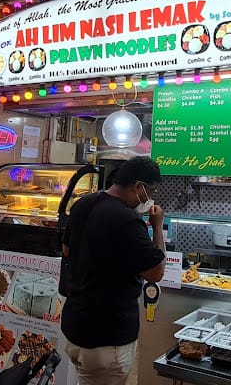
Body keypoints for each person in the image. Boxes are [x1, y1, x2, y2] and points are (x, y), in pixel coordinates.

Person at [61, 156, 166, 385]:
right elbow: (155, 273)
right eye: (150, 190)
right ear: (138, 186)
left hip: (75, 327)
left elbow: (66, 250)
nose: (149, 197)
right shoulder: (127, 220)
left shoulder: (83, 203)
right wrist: (157, 227)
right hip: (106, 338)